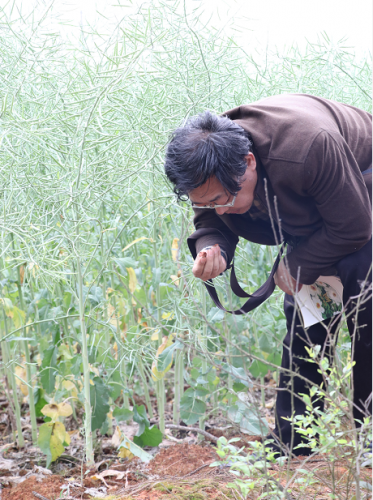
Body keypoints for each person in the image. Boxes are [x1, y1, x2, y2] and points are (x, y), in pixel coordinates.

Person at [164, 93, 372, 456]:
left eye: (221, 200)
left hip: (360, 197)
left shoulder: (306, 147)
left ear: (248, 163)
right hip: (322, 217)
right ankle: (295, 443)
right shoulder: (212, 163)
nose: (219, 210)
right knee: (308, 323)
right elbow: (210, 218)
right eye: (205, 202)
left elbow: (353, 227)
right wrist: (213, 249)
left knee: (366, 311)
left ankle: (369, 438)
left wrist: (295, 265)